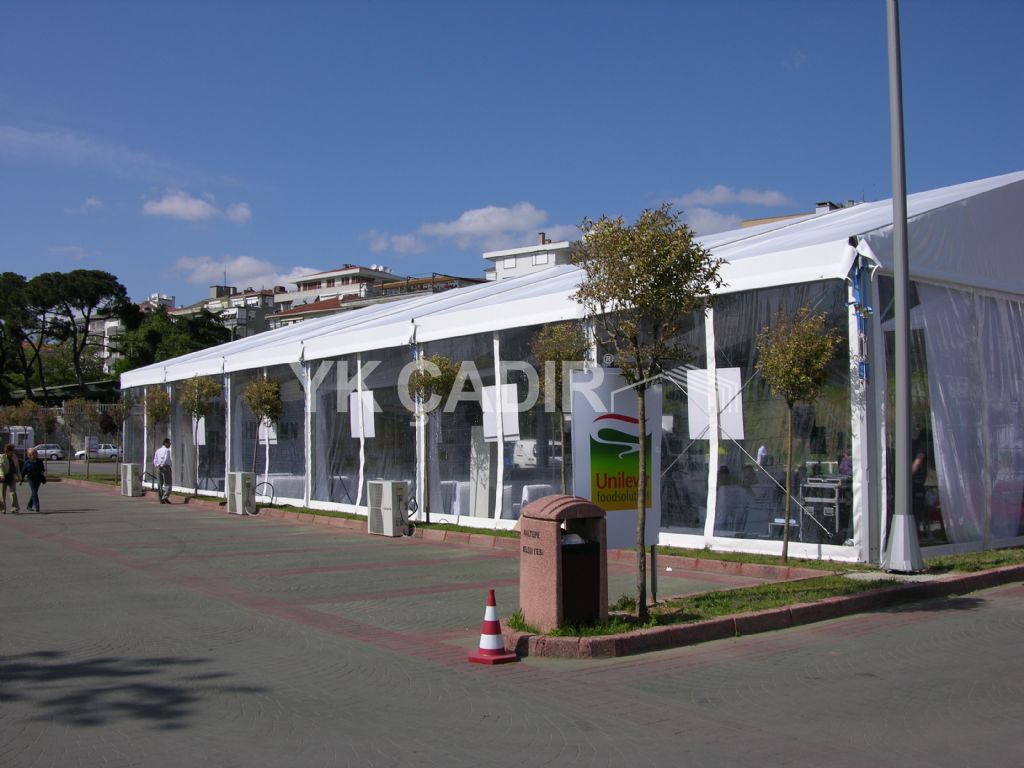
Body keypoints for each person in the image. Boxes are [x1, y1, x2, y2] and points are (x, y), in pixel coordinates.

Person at [20, 447, 46, 512]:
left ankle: (29, 506)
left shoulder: (39, 461)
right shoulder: (27, 462)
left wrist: (42, 472)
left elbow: (42, 469)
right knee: (34, 491)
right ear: (29, 455)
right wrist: (21, 480)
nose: (35, 455)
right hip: (30, 478)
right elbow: (23, 472)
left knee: (34, 492)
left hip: (38, 478)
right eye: (33, 454)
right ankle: (37, 506)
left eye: (35, 453)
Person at [1, 443, 22, 514]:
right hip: (3, 478)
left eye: (13, 451)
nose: (12, 453)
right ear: (7, 451)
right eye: (11, 451)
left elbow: (17, 468)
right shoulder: (2, 457)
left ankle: (14, 508)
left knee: (13, 493)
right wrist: (2, 475)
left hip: (11, 477)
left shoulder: (14, 457)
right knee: (2, 494)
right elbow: (0, 467)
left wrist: (20, 478)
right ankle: (2, 509)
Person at [153, 438, 173, 504]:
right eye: (169, 443)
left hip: (159, 468)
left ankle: (161, 499)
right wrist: (162, 464)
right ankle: (164, 497)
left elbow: (155, 460)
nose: (170, 444)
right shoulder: (167, 450)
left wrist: (158, 465)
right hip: (165, 467)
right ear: (166, 443)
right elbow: (166, 458)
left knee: (160, 484)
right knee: (168, 484)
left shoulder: (158, 451)